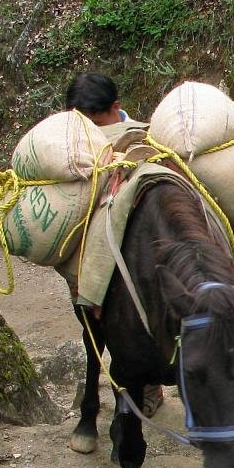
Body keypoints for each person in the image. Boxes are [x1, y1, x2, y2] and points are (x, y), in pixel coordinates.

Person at [62, 72, 164, 419]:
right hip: (88, 250)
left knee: (136, 327)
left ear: (116, 108)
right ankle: (91, 401)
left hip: (135, 251)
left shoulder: (148, 138)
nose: (93, 130)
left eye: (97, 121)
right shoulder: (68, 144)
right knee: (90, 331)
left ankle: (146, 384)